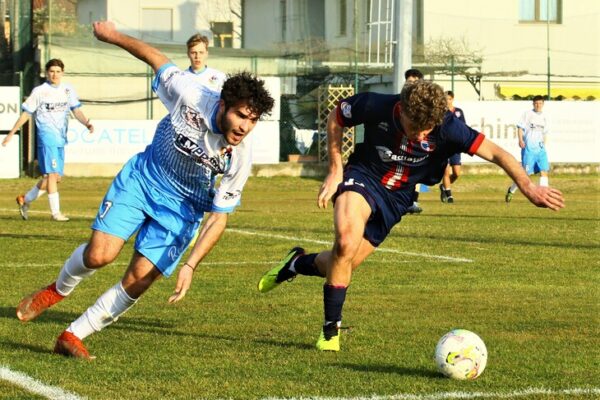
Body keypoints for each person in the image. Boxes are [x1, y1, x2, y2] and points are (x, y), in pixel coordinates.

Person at [15, 21, 274, 360]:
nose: (245, 127)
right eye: (241, 116)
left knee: (139, 279)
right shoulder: (191, 93)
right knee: (99, 255)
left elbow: (219, 217)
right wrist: (112, 35)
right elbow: (155, 57)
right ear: (224, 104)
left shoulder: (241, 155)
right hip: (144, 179)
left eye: (253, 121)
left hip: (182, 211)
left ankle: (73, 334)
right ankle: (55, 291)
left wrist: (191, 264)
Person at [258, 81, 564, 352]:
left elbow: (498, 153)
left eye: (427, 130)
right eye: (414, 128)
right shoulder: (376, 105)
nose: (420, 136)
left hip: (399, 197)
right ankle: (329, 332)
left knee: (344, 262)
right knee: (346, 241)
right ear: (401, 108)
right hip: (365, 175)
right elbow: (337, 116)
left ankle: (295, 263)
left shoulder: (449, 126)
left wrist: (528, 188)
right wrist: (336, 167)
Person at [2, 59, 94, 222]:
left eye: (58, 71)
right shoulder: (40, 91)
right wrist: (11, 133)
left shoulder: (68, 90)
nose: (55, 74)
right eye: (52, 71)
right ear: (47, 73)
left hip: (60, 137)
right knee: (51, 175)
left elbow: (76, 110)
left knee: (55, 177)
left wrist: (86, 123)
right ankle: (56, 213)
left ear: (62, 73)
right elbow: (26, 113)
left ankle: (25, 199)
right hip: (46, 136)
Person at [506, 95, 550, 203]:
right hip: (529, 149)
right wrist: (520, 140)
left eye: (540, 103)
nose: (538, 105)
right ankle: (511, 190)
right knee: (525, 175)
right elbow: (520, 128)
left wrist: (544, 145)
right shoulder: (527, 114)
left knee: (544, 171)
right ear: (533, 104)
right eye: (536, 103)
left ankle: (544, 197)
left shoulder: (545, 117)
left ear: (543, 104)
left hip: (540, 150)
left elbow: (545, 133)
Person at [403, 68, 425, 214]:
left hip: (416, 142)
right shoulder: (399, 101)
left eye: (414, 82)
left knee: (416, 171)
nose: (410, 85)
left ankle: (413, 201)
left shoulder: (424, 104)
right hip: (401, 142)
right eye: (408, 82)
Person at [439, 90, 466, 203]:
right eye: (445, 99)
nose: (447, 101)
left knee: (456, 173)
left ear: (452, 99)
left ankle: (443, 187)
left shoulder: (458, 112)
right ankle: (449, 195)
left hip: (455, 146)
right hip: (444, 146)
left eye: (449, 99)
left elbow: (463, 127)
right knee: (445, 170)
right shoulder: (440, 112)